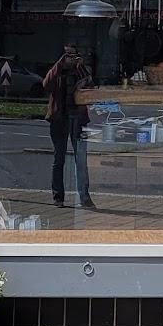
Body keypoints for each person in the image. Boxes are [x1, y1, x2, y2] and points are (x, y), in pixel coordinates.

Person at [43, 44, 96, 210]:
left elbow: (90, 88)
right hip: (59, 119)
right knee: (59, 158)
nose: (71, 60)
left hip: (77, 119)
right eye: (68, 56)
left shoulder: (80, 70)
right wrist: (60, 64)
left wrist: (80, 67)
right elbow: (46, 84)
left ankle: (84, 197)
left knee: (80, 160)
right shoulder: (57, 71)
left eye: (73, 56)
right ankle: (58, 196)